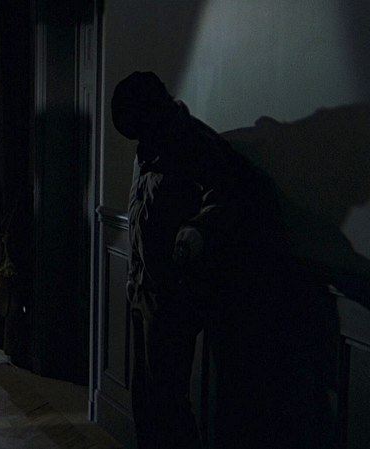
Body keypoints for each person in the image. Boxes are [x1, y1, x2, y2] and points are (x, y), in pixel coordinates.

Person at [112, 72, 291, 449]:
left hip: (173, 294)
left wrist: (196, 230)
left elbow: (230, 195)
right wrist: (134, 276)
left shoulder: (195, 144)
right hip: (144, 288)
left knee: (168, 401)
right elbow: (143, 209)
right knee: (146, 396)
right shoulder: (150, 144)